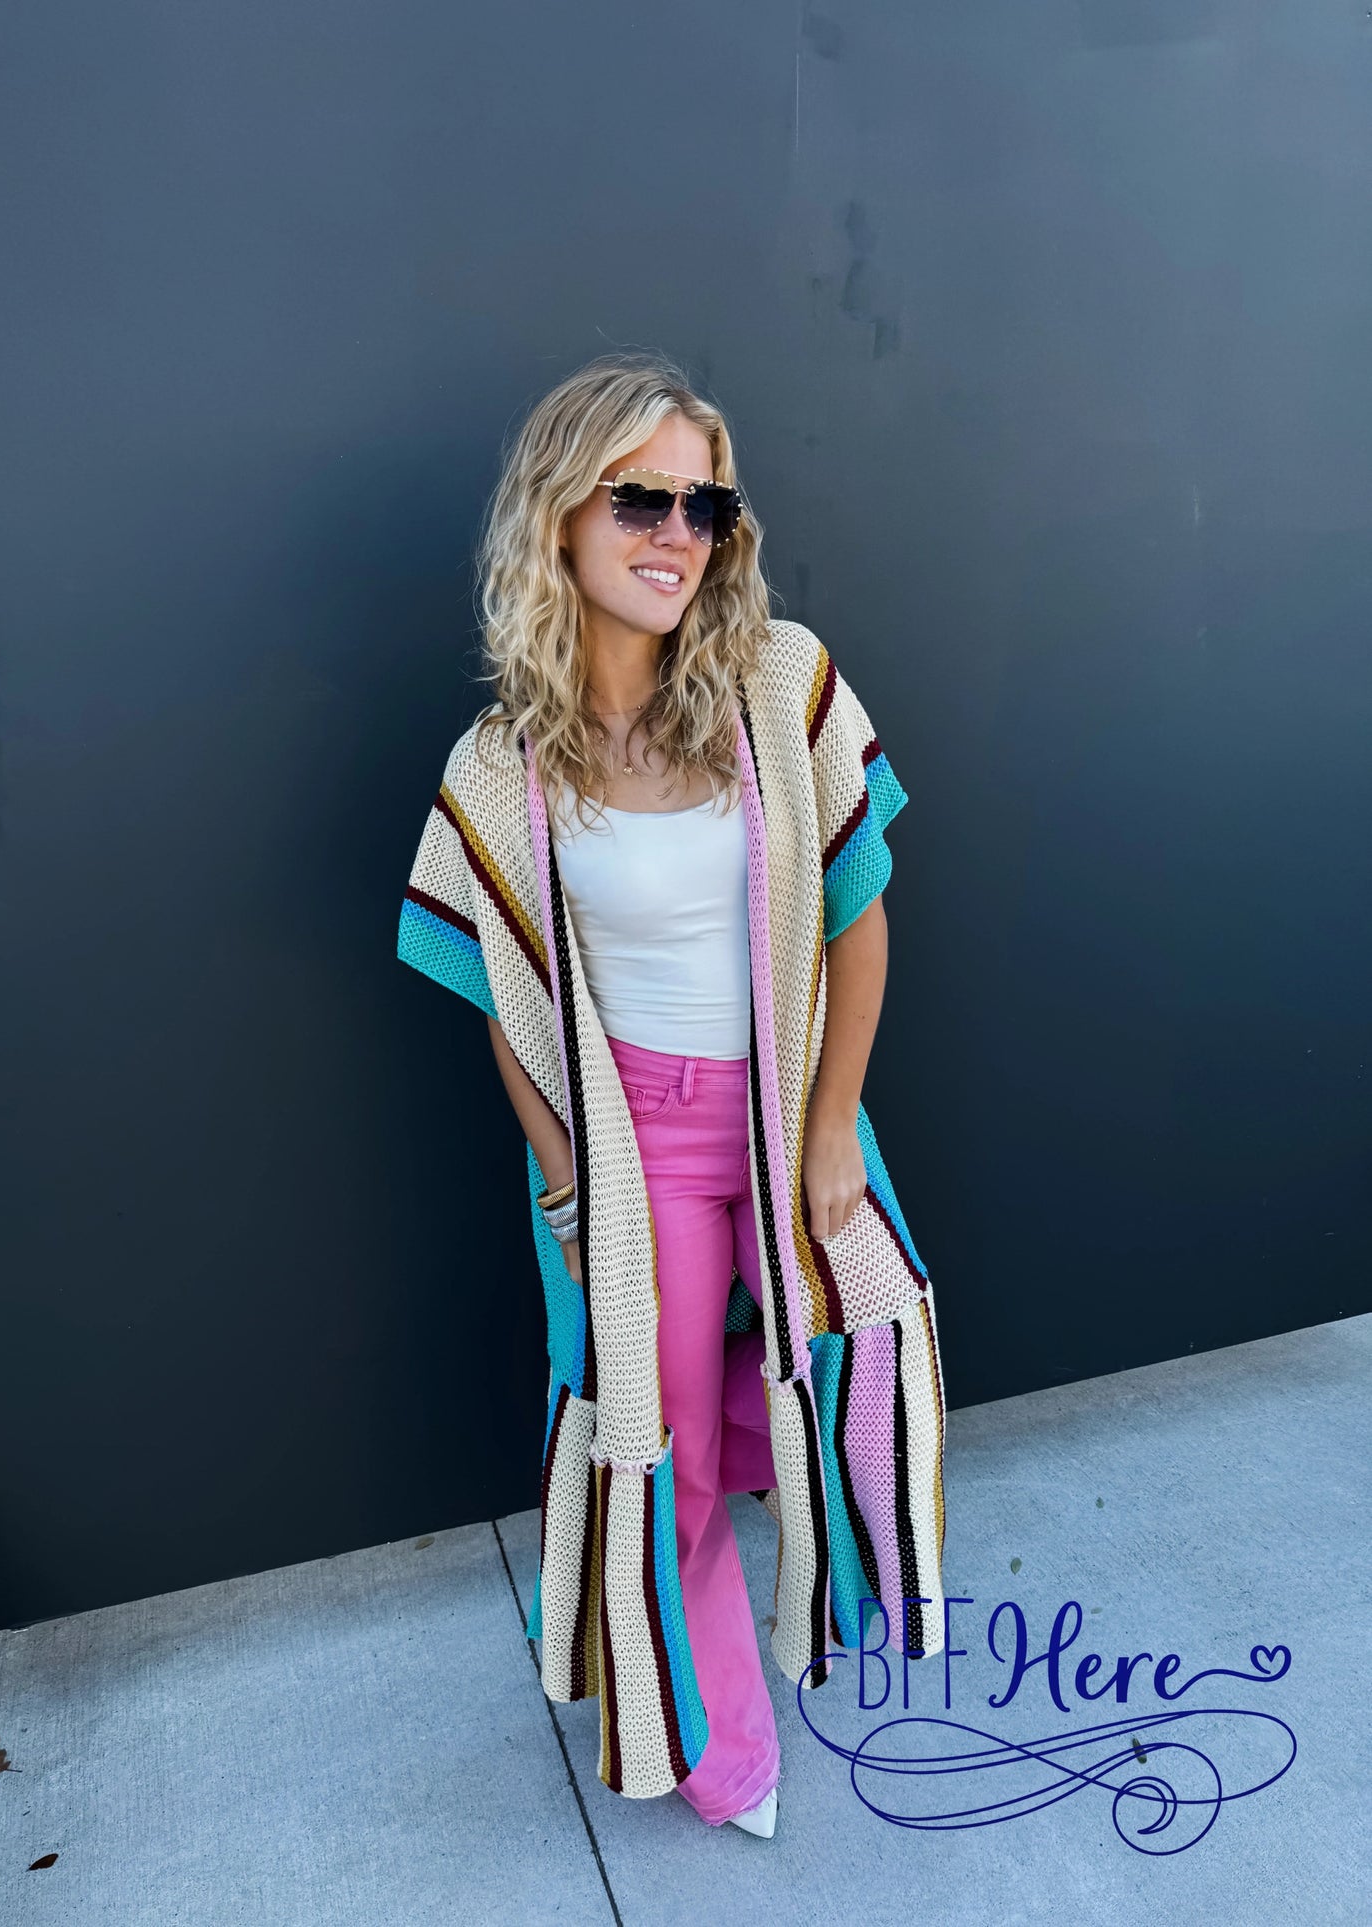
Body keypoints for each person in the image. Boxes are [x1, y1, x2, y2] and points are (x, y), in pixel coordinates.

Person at [397, 352, 948, 1840]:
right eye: (642, 498)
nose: (679, 534)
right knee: (666, 1448)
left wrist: (830, 1129)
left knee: (854, 1356)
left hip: (786, 1116)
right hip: (629, 1147)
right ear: (560, 515)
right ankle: (718, 1747)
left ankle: (823, 1575)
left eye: (705, 504)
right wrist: (565, 1176)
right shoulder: (502, 767)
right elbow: (508, 996)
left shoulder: (780, 682)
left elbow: (859, 916)